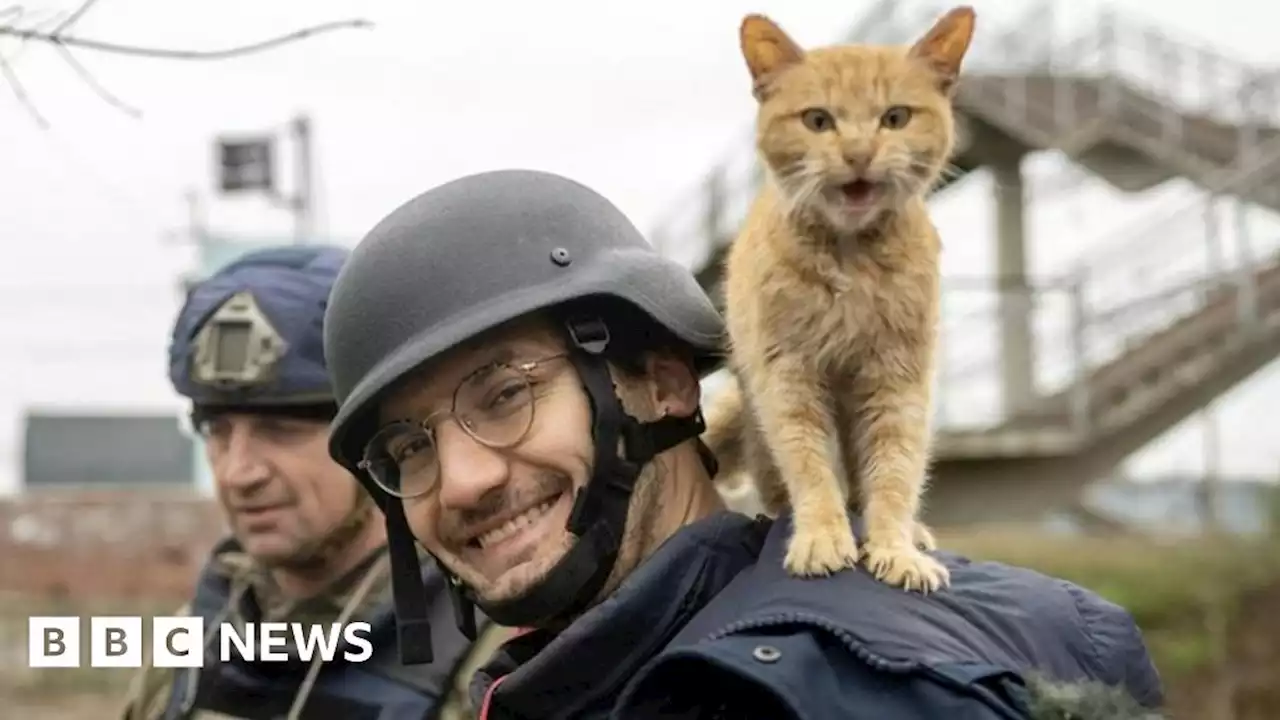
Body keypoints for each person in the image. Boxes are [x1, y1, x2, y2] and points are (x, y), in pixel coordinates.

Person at [320, 170, 1167, 719]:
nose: (460, 481)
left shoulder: (766, 696)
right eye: (408, 450)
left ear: (662, 383)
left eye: (505, 394)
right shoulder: (601, 680)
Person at [120, 244, 511, 720]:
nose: (238, 472)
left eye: (281, 431)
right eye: (217, 430)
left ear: (375, 442)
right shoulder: (192, 643)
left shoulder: (493, 657)